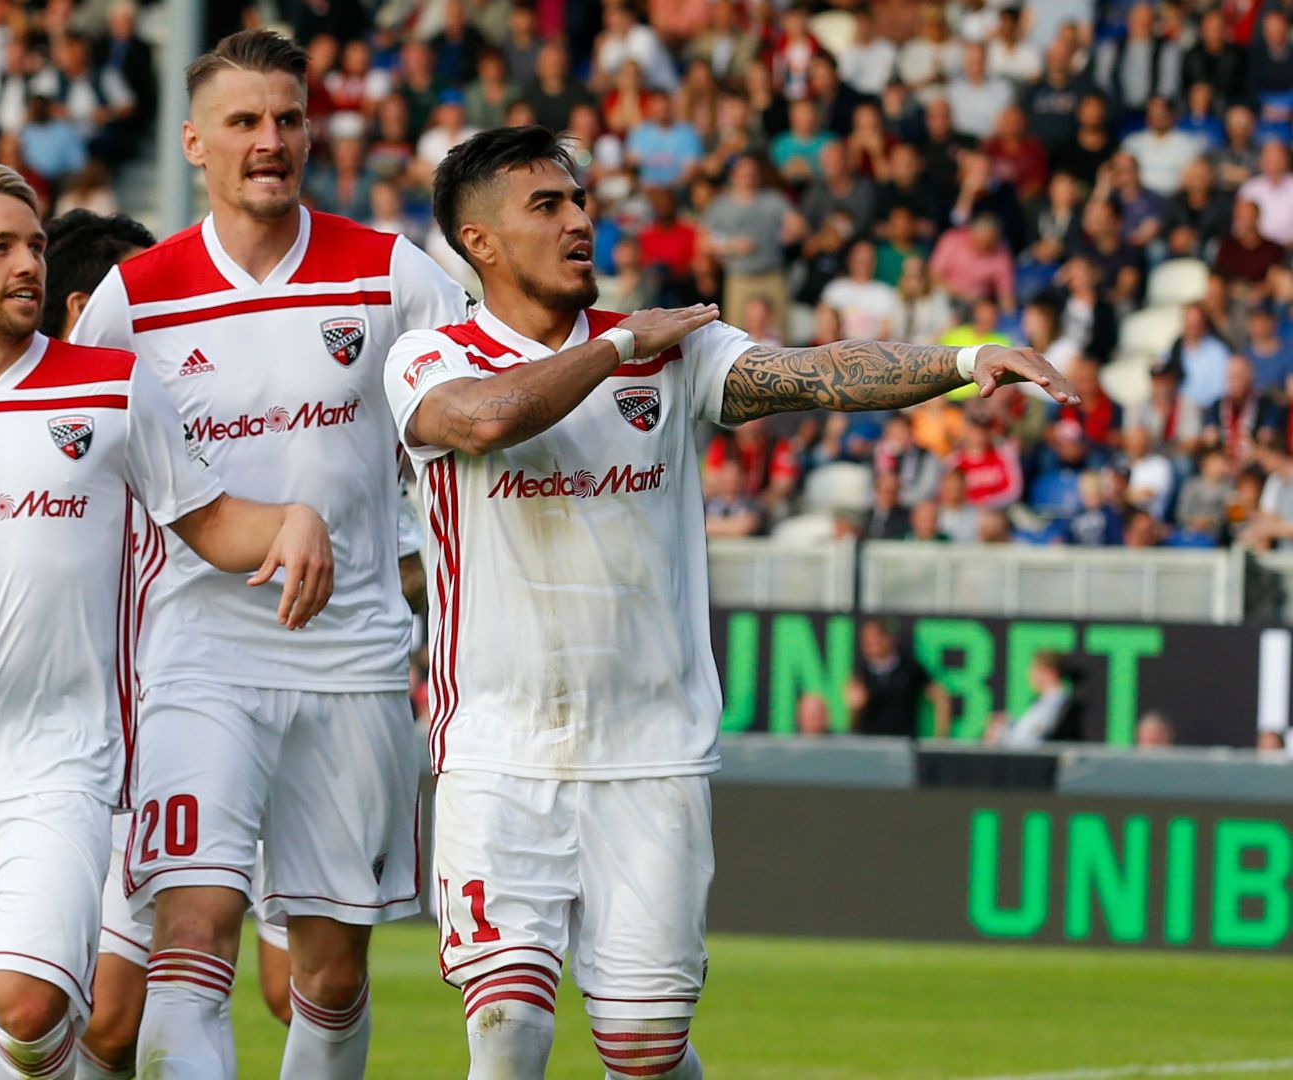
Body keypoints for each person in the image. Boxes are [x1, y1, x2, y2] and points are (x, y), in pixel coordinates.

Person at [383, 125, 1074, 1079]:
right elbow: (490, 418)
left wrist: (961, 359)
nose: (581, 219)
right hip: (496, 751)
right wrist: (622, 342)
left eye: (581, 200)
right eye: (547, 205)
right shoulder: (430, 357)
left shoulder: (675, 356)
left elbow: (813, 373)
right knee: (508, 1033)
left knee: (644, 1055)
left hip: (651, 753)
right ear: (482, 243)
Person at [0, 31, 465, 1079]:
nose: (268, 141)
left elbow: (473, 393)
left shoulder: (389, 272)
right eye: (243, 122)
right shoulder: (133, 298)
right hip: (195, 661)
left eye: (286, 119)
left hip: (356, 662)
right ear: (194, 142)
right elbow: (29, 399)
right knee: (188, 943)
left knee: (324, 980)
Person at [0, 161, 334, 1080]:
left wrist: (291, 520)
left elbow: (206, 521)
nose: (26, 264)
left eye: (35, 245)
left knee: (31, 1001)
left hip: (65, 756)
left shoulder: (111, 387)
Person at [846, 618, 952, 738]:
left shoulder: (909, 667)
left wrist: (941, 736)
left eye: (876, 639)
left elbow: (940, 696)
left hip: (902, 743)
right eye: (867, 641)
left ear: (889, 638)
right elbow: (854, 720)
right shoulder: (861, 673)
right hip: (871, 744)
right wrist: (856, 709)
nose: (871, 645)